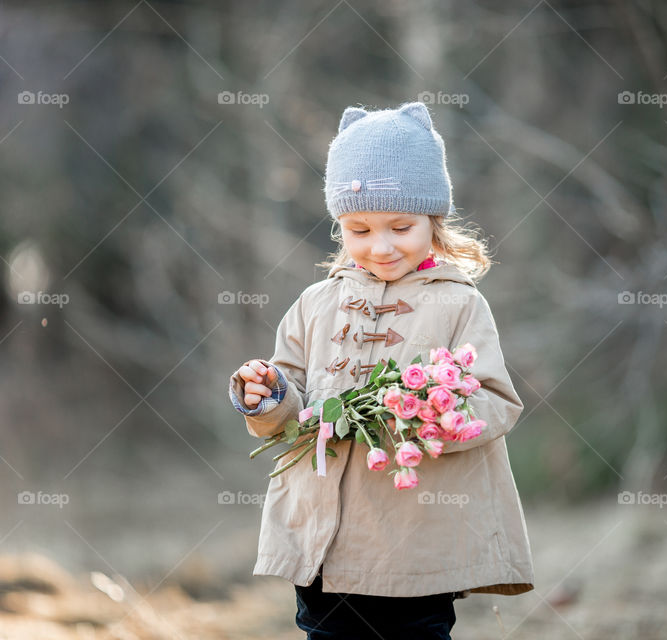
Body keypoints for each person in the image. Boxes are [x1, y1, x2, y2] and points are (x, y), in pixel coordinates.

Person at [228, 101, 534, 639]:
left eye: (401, 226)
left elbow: (496, 400)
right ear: (340, 225)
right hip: (323, 539)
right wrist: (268, 395)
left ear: (433, 221)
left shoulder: (459, 305)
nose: (381, 245)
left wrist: (427, 412)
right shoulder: (314, 304)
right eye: (360, 229)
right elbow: (291, 398)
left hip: (417, 541)